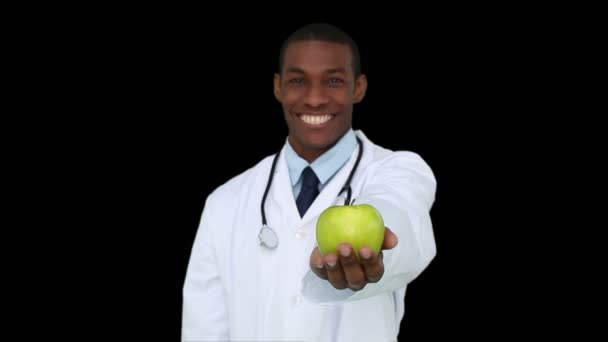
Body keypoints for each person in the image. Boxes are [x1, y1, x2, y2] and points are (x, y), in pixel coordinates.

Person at [182, 23, 437, 342]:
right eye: (298, 81)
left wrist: (377, 250)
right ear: (278, 87)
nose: (315, 99)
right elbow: (204, 330)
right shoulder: (225, 201)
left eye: (333, 81)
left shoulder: (397, 169)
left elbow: (401, 210)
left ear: (359, 87)